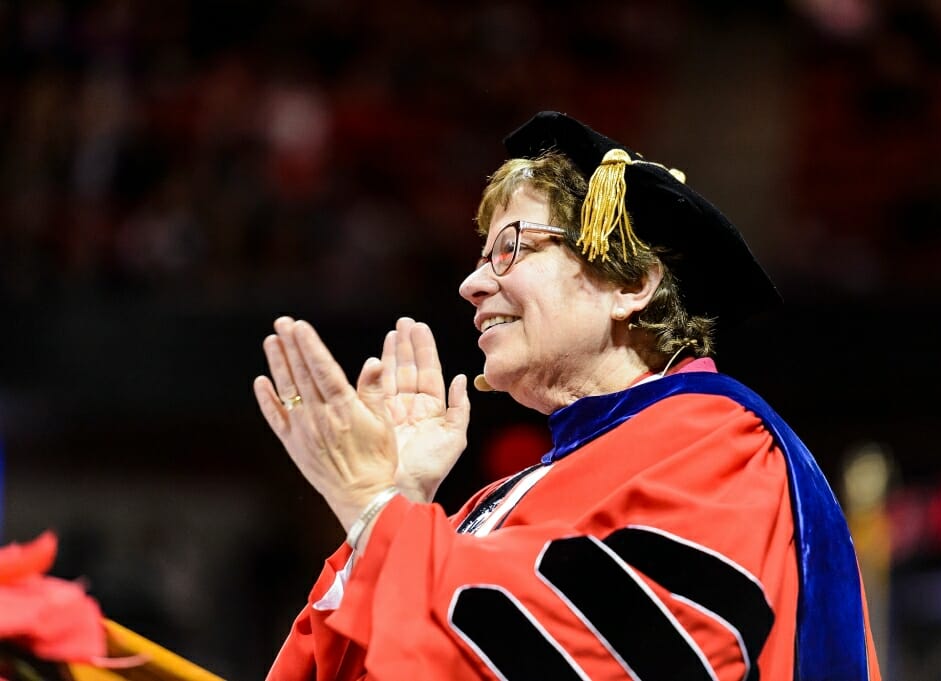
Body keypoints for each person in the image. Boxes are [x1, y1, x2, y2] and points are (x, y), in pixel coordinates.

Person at [255, 111, 882, 681]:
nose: (473, 283)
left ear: (630, 284)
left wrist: (375, 512)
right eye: (481, 255)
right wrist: (400, 497)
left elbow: (614, 654)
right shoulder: (499, 497)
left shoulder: (722, 443)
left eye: (512, 248)